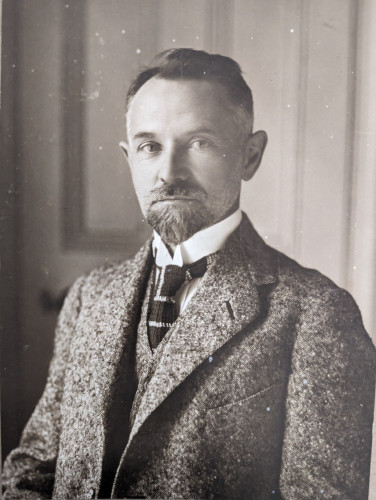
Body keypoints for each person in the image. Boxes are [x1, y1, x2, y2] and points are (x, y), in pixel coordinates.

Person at [2, 48, 375, 500]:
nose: (168, 173)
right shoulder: (88, 297)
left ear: (250, 156)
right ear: (129, 159)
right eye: (149, 147)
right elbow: (33, 468)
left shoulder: (315, 315)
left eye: (199, 143)